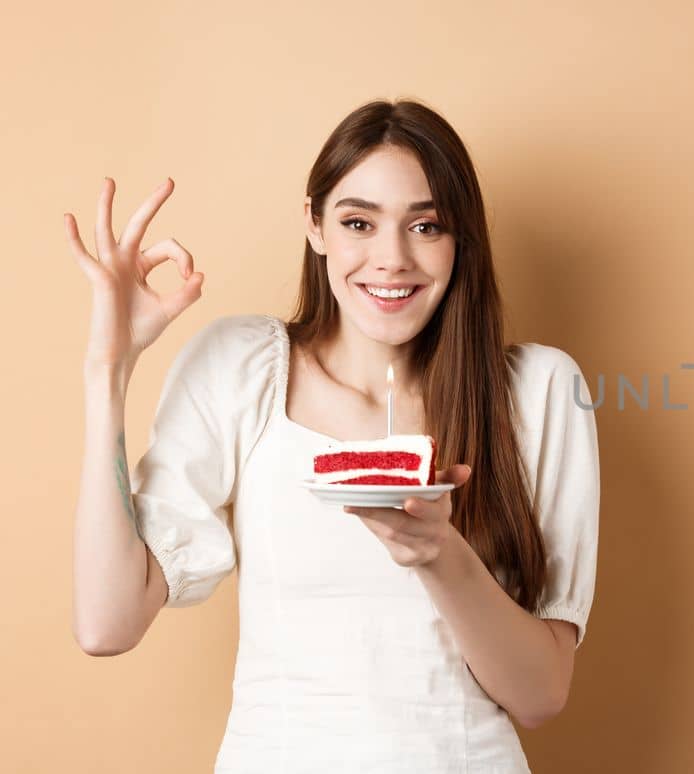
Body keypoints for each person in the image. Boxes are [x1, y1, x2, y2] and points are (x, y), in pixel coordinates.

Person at [67, 98, 600, 773]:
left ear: (462, 239)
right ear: (315, 226)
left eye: (426, 226)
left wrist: (439, 552)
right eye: (358, 222)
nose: (391, 259)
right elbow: (106, 624)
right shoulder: (240, 366)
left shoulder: (538, 393)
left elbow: (540, 694)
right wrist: (107, 370)